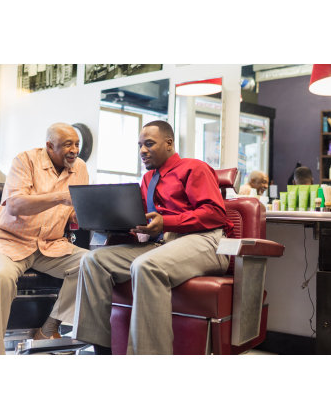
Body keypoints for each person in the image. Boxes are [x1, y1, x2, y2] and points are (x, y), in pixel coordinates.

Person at [73, 120, 232, 355]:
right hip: (162, 243)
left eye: (149, 144)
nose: (142, 151)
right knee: (92, 261)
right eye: (140, 145)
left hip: (206, 241)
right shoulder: (148, 179)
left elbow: (215, 214)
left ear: (169, 143)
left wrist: (166, 222)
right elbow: (148, 221)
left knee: (146, 266)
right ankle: (101, 351)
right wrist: (120, 225)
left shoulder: (194, 168)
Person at [0, 123, 89, 355]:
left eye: (77, 144)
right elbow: (16, 206)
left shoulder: (80, 168)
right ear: (49, 146)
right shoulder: (25, 161)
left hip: (51, 245)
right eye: (67, 144)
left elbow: (74, 212)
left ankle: (48, 329)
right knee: (1, 277)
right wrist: (61, 197)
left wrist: (92, 213)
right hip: (9, 242)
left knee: (92, 265)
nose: (74, 150)